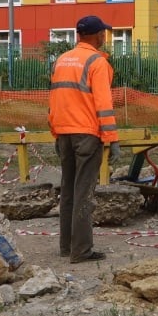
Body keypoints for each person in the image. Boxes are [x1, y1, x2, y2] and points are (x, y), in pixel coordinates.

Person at [49, 16, 119, 263]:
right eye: (103, 33)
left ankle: (66, 246)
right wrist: (111, 138)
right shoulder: (97, 62)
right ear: (98, 35)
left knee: (68, 189)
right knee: (84, 192)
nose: (104, 36)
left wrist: (56, 131)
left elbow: (55, 98)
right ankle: (81, 250)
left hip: (64, 132)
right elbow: (103, 103)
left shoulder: (62, 60)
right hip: (87, 134)